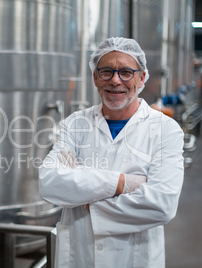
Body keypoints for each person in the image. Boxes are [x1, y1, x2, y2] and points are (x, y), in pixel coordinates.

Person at [38, 37, 184, 267]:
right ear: (95, 77)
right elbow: (49, 183)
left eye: (126, 72)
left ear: (142, 77)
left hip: (135, 258)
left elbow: (161, 205)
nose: (115, 80)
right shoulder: (76, 123)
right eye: (106, 71)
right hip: (80, 255)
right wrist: (123, 184)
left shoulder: (165, 129)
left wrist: (85, 196)